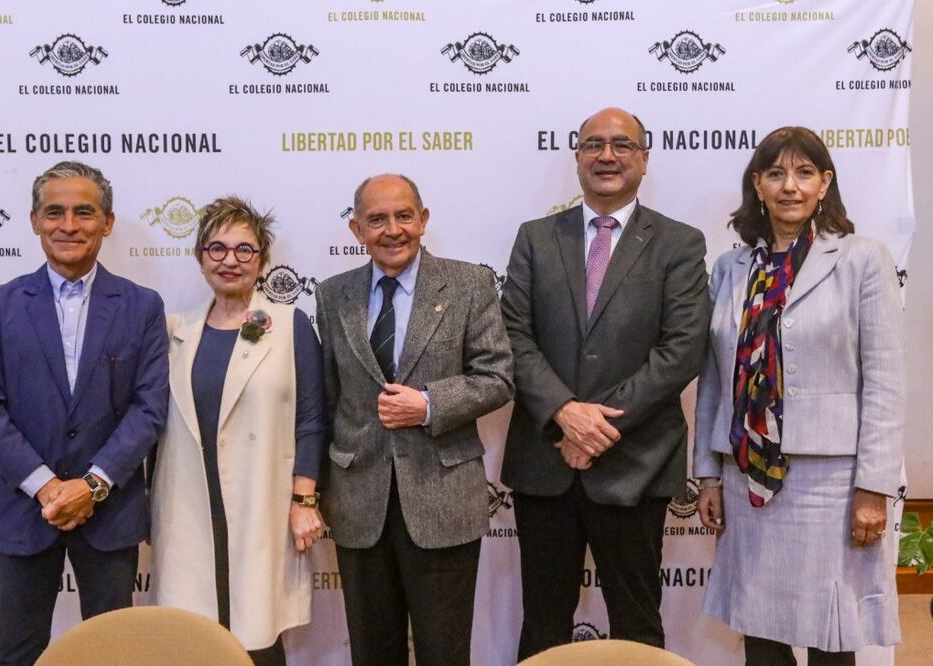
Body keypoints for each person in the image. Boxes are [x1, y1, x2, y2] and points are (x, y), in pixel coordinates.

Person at [500, 107, 710, 657]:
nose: (607, 155)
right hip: (545, 462)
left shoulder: (680, 243)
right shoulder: (535, 238)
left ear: (644, 158)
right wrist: (566, 413)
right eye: (594, 144)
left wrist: (595, 426)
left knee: (637, 623)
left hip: (635, 463)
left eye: (621, 144)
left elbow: (681, 350)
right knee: (542, 622)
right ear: (577, 159)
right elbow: (513, 337)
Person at [694, 126, 903, 665]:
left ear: (824, 183)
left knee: (829, 635)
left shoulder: (862, 259)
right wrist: (709, 474)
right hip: (747, 478)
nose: (791, 186)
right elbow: (716, 380)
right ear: (758, 185)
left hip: (830, 484)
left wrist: (874, 487)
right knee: (759, 632)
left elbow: (883, 382)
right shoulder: (731, 268)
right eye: (776, 173)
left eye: (805, 172)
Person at [0, 161, 169, 666]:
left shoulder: (141, 306)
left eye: (84, 212)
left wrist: (92, 485)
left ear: (108, 222)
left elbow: (149, 406)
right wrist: (48, 487)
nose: (68, 225)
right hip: (23, 508)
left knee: (110, 653)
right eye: (54, 212)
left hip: (108, 511)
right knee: (18, 651)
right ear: (34, 220)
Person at [315, 174, 514, 665]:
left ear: (423, 220)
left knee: (443, 652)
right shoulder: (332, 294)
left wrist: (427, 404)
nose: (392, 229)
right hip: (358, 502)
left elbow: (499, 376)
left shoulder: (469, 283)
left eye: (404, 216)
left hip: (442, 498)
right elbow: (326, 397)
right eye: (377, 220)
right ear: (357, 230)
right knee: (372, 652)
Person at [149, 196, 325, 665]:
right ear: (200, 257)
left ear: (263, 260)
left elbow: (311, 418)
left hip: (258, 507)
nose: (231, 260)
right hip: (188, 506)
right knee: (191, 642)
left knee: (258, 640)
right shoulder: (172, 330)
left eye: (245, 250)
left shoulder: (288, 326)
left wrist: (304, 499)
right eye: (217, 248)